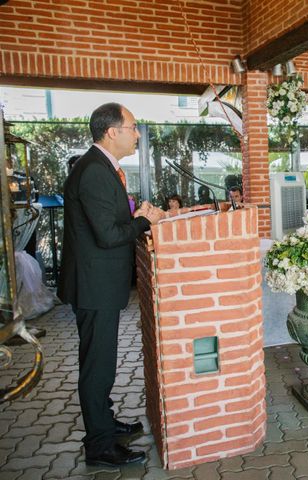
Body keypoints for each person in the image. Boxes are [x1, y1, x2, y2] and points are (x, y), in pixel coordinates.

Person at [57, 103, 164, 467]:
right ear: (111, 132)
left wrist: (135, 217)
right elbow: (107, 235)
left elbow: (107, 222)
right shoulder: (93, 171)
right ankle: (100, 447)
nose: (137, 133)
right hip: (94, 285)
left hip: (99, 283)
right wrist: (144, 222)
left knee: (103, 361)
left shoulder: (102, 168)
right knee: (97, 365)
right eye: (133, 127)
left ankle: (105, 422)